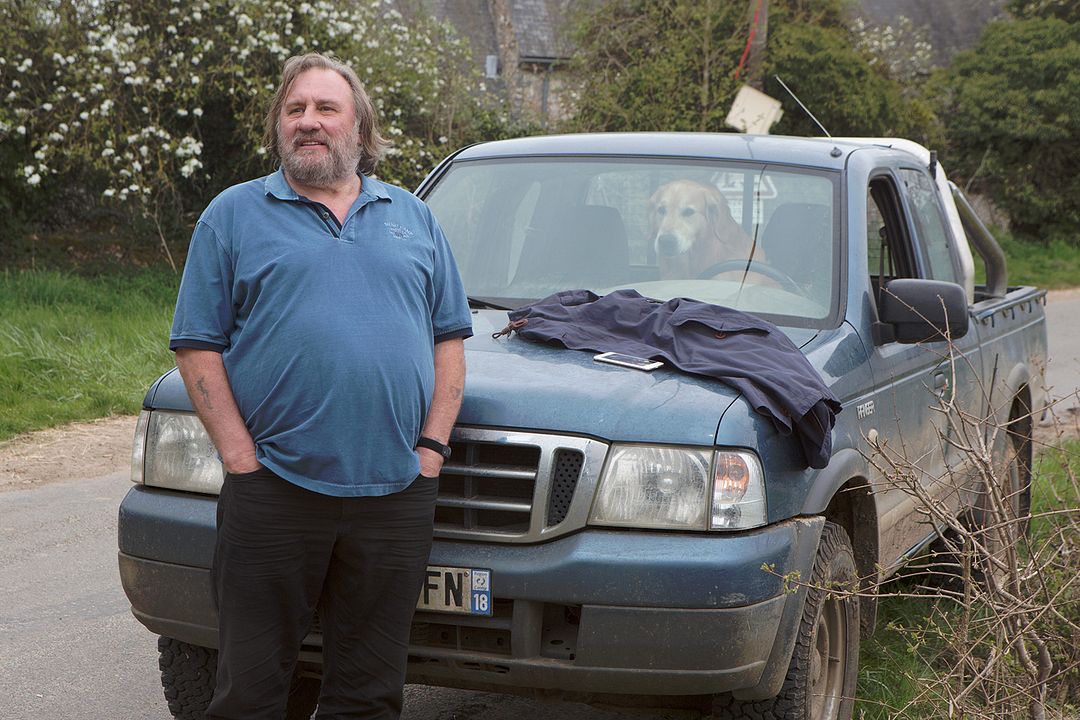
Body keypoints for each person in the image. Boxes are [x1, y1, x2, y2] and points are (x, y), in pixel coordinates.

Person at [169, 52, 472, 719]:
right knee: (250, 692)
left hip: (394, 497)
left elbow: (449, 342)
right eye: (295, 108)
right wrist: (241, 461)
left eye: (325, 108)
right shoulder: (233, 216)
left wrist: (430, 452)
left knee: (367, 695)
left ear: (360, 127)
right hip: (274, 491)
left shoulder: (414, 218)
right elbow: (195, 346)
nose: (309, 122)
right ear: (279, 125)